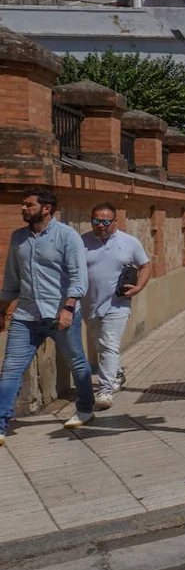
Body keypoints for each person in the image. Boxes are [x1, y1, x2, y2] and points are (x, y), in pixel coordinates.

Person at [0, 189, 93, 444]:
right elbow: (11, 278)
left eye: (28, 205)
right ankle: (0, 423)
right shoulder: (18, 237)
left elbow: (78, 276)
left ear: (46, 208)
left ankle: (85, 408)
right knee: (10, 369)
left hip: (59, 313)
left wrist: (69, 308)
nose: (22, 208)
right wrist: (2, 309)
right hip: (25, 315)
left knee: (77, 363)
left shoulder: (67, 236)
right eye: (22, 204)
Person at [82, 203, 151, 410]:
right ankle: (117, 373)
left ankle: (105, 390)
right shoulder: (82, 242)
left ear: (115, 222)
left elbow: (145, 266)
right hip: (90, 303)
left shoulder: (129, 242)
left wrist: (138, 287)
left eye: (105, 221)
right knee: (100, 344)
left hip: (118, 304)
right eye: (96, 221)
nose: (100, 225)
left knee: (108, 343)